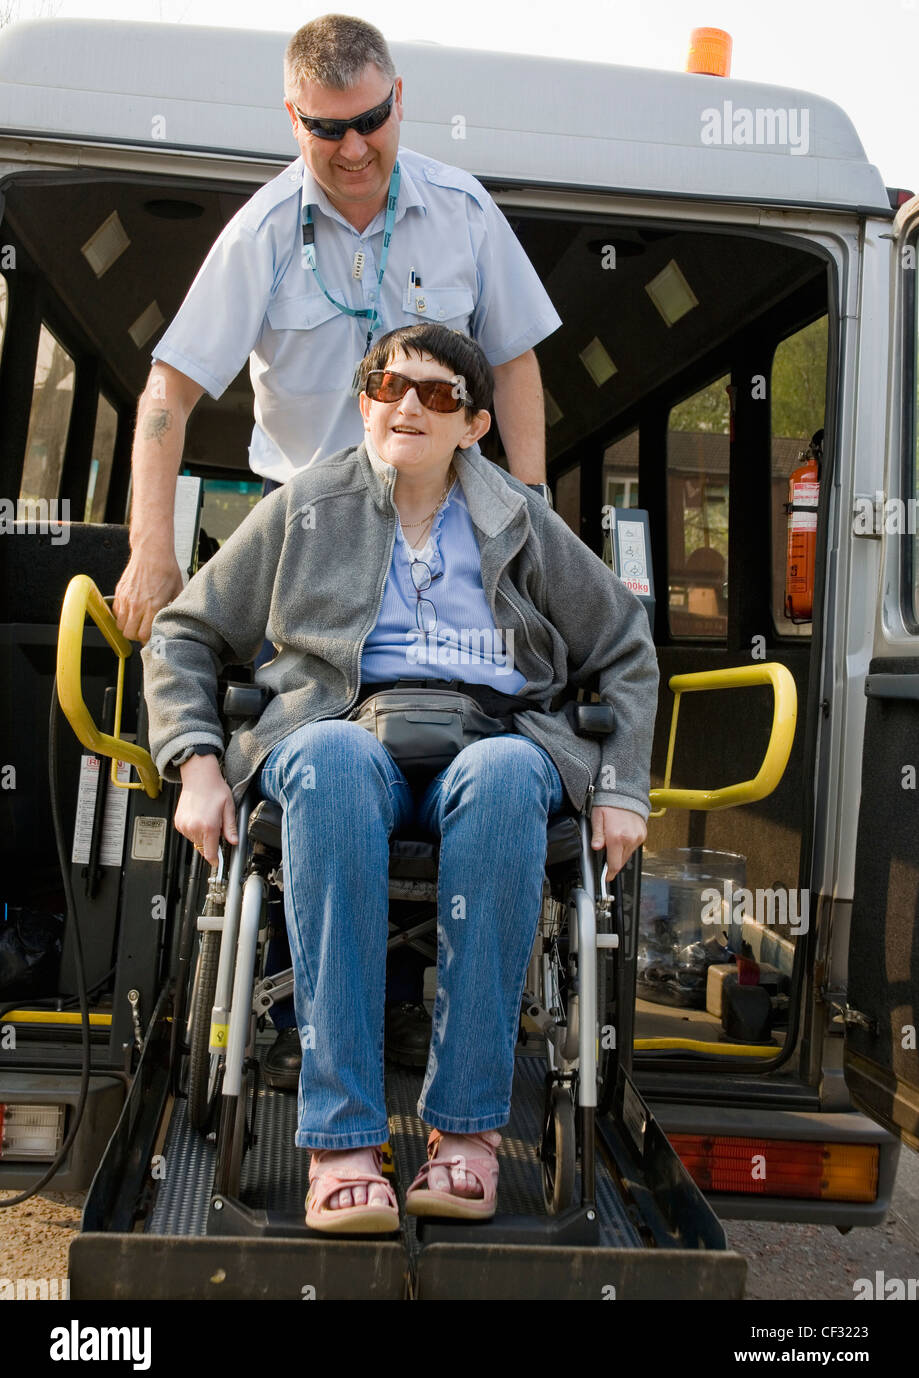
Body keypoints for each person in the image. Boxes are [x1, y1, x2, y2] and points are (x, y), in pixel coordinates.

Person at [114, 13, 561, 1082]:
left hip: (444, 529)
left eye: (370, 120)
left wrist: (530, 516)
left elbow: (519, 368)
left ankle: (422, 1003)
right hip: (304, 543)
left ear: (398, 97)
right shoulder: (266, 229)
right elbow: (168, 390)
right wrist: (151, 550)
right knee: (321, 748)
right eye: (327, 130)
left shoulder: (461, 212)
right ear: (293, 119)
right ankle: (300, 1012)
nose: (354, 148)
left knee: (468, 746)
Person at [142, 324, 658, 1231]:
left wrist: (619, 786)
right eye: (388, 384)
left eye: (438, 393)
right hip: (338, 726)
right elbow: (183, 632)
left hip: (490, 730)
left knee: (506, 776)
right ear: (364, 401)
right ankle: (342, 1144)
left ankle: (463, 1138)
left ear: (475, 425)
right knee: (333, 763)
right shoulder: (306, 506)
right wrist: (195, 763)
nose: (409, 403)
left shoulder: (520, 519)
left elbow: (624, 647)